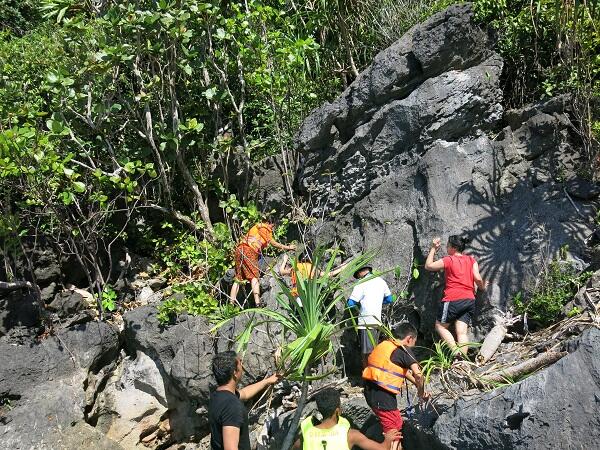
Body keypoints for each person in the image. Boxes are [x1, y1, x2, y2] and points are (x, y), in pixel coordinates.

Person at [362, 323, 430, 450]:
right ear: (409, 339)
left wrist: (415, 383)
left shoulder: (386, 345)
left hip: (370, 391)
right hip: (382, 397)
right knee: (393, 430)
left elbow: (397, 369)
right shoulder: (404, 350)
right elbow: (419, 375)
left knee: (395, 425)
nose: (413, 346)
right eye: (414, 342)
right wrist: (421, 393)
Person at [424, 235, 488, 356]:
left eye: (448, 246)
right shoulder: (471, 260)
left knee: (440, 326)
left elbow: (429, 266)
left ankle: (455, 352)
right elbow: (478, 278)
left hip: (453, 299)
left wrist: (433, 248)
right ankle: (461, 361)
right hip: (469, 300)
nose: (446, 248)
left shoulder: (449, 259)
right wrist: (483, 287)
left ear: (453, 248)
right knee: (462, 332)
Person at [209, 351, 279, 450]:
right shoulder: (231, 406)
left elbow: (244, 393)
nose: (242, 365)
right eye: (240, 362)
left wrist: (267, 381)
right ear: (234, 372)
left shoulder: (217, 396)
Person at [293, 388, 400, 450]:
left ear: (319, 410)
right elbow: (382, 449)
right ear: (338, 410)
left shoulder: (305, 436)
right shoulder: (351, 435)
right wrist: (388, 439)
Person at [230, 222, 295, 307]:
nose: (272, 229)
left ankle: (231, 304)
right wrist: (288, 247)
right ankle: (258, 303)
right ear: (270, 224)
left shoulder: (256, 226)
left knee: (238, 278)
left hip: (239, 249)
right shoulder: (265, 229)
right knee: (254, 276)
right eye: (273, 226)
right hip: (249, 251)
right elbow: (273, 243)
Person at [347, 266, 393, 367]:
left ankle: (368, 377)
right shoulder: (381, 281)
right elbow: (390, 299)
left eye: (358, 275)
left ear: (361, 272)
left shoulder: (361, 283)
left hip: (366, 322)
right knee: (374, 349)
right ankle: (374, 375)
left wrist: (357, 306)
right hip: (378, 322)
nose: (358, 277)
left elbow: (351, 303)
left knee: (366, 352)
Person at [279, 251, 347, 305]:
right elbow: (327, 274)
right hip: (309, 294)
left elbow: (281, 272)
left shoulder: (296, 267)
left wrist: (285, 260)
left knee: (300, 313)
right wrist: (342, 268)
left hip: (298, 294)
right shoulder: (313, 268)